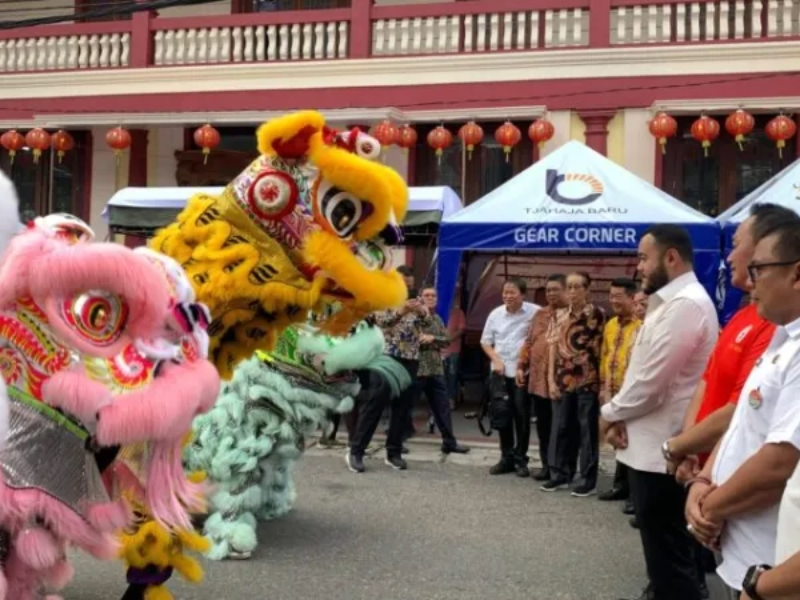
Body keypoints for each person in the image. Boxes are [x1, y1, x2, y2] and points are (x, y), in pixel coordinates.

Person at [600, 224, 718, 600]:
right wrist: (620, 415)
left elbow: (652, 382)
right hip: (649, 446)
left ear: (671, 257)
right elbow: (642, 374)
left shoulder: (685, 306)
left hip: (663, 453)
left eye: (643, 258)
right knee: (664, 558)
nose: (638, 267)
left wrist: (610, 413)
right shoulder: (668, 304)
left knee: (671, 562)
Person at [685, 220, 800, 599]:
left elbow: (780, 463)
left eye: (759, 269)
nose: (751, 282)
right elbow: (744, 422)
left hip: (770, 564)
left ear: (796, 274)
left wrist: (709, 508)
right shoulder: (781, 337)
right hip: (741, 551)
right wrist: (704, 481)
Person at [541, 272, 605, 497]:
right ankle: (560, 474)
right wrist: (550, 380)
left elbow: (602, 349)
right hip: (563, 378)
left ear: (587, 290)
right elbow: (552, 348)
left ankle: (588, 479)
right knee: (561, 427)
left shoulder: (597, 314)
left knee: (587, 431)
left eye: (578, 287)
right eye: (569, 287)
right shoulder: (559, 315)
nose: (572, 291)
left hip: (588, 379)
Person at [481, 277, 539, 476]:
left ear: (523, 294)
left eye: (512, 292)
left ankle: (520, 459)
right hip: (500, 373)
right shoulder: (495, 314)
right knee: (502, 415)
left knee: (522, 417)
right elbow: (485, 342)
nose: (508, 296)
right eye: (505, 292)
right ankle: (506, 458)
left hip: (522, 373)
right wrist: (496, 360)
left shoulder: (535, 312)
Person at [372, 288, 432, 470]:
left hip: (411, 359)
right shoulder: (385, 302)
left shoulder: (418, 305)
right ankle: (356, 450)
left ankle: (393, 452)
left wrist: (421, 311)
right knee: (375, 405)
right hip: (388, 357)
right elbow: (382, 322)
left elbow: (428, 323)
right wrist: (402, 311)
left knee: (402, 408)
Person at [517, 273, 568, 482]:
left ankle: (563, 468)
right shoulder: (540, 314)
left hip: (562, 381)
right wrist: (521, 366)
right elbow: (529, 342)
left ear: (566, 290)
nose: (551, 294)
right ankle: (547, 465)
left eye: (556, 289)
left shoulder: (572, 315)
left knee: (562, 427)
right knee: (544, 426)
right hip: (538, 381)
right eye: (548, 290)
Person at [597, 278, 642, 506]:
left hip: (633, 394)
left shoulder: (641, 326)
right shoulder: (611, 325)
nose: (613, 300)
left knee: (633, 441)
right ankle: (620, 486)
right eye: (611, 296)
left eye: (618, 296)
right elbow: (605, 357)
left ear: (632, 298)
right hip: (612, 392)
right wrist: (604, 389)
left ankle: (636, 495)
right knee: (617, 439)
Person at [416, 287, 470, 454]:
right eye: (427, 295)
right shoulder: (414, 317)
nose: (430, 298)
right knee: (405, 405)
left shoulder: (438, 318)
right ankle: (396, 443)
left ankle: (449, 442)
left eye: (433, 295)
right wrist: (433, 340)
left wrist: (433, 338)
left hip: (435, 368)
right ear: (420, 298)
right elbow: (416, 340)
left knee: (442, 406)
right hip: (417, 368)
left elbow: (446, 341)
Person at [442, 292, 466, 409]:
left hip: (453, 350)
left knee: (452, 375)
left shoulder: (458, 312)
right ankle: (440, 399)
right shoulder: (437, 312)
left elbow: (461, 330)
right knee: (440, 376)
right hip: (438, 350)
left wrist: (449, 340)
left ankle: (451, 398)